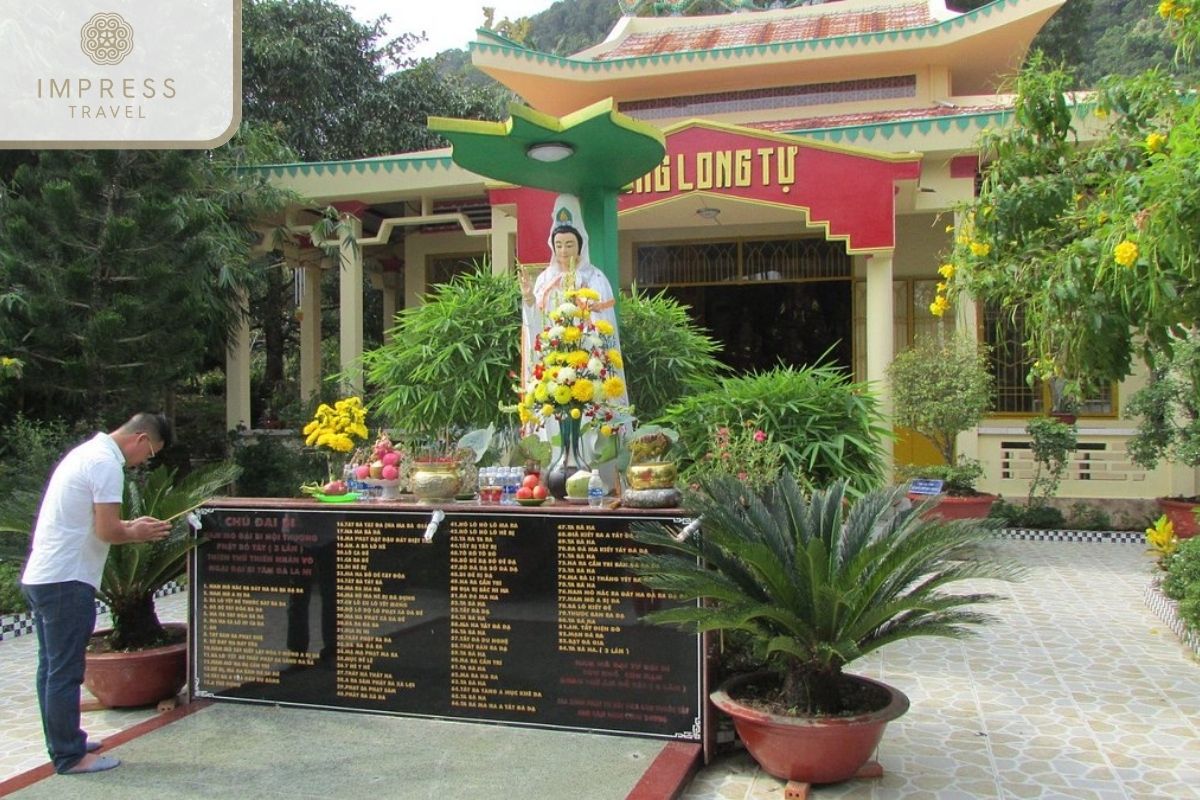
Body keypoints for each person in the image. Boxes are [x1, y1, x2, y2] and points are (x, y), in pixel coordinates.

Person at [20, 412, 173, 775]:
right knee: (65, 671)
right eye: (150, 453)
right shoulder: (106, 464)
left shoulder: (84, 453)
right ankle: (69, 756)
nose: (145, 461)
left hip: (43, 577)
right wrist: (137, 532)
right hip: (65, 581)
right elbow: (108, 530)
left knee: (51, 668)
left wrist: (129, 527)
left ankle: (64, 740)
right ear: (140, 439)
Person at [519, 193, 627, 410]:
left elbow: (604, 323)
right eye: (558, 245)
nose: (563, 251)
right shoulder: (544, 279)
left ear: (580, 245)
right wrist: (530, 298)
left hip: (587, 362)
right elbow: (537, 324)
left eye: (569, 244)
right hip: (554, 364)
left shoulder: (594, 278)